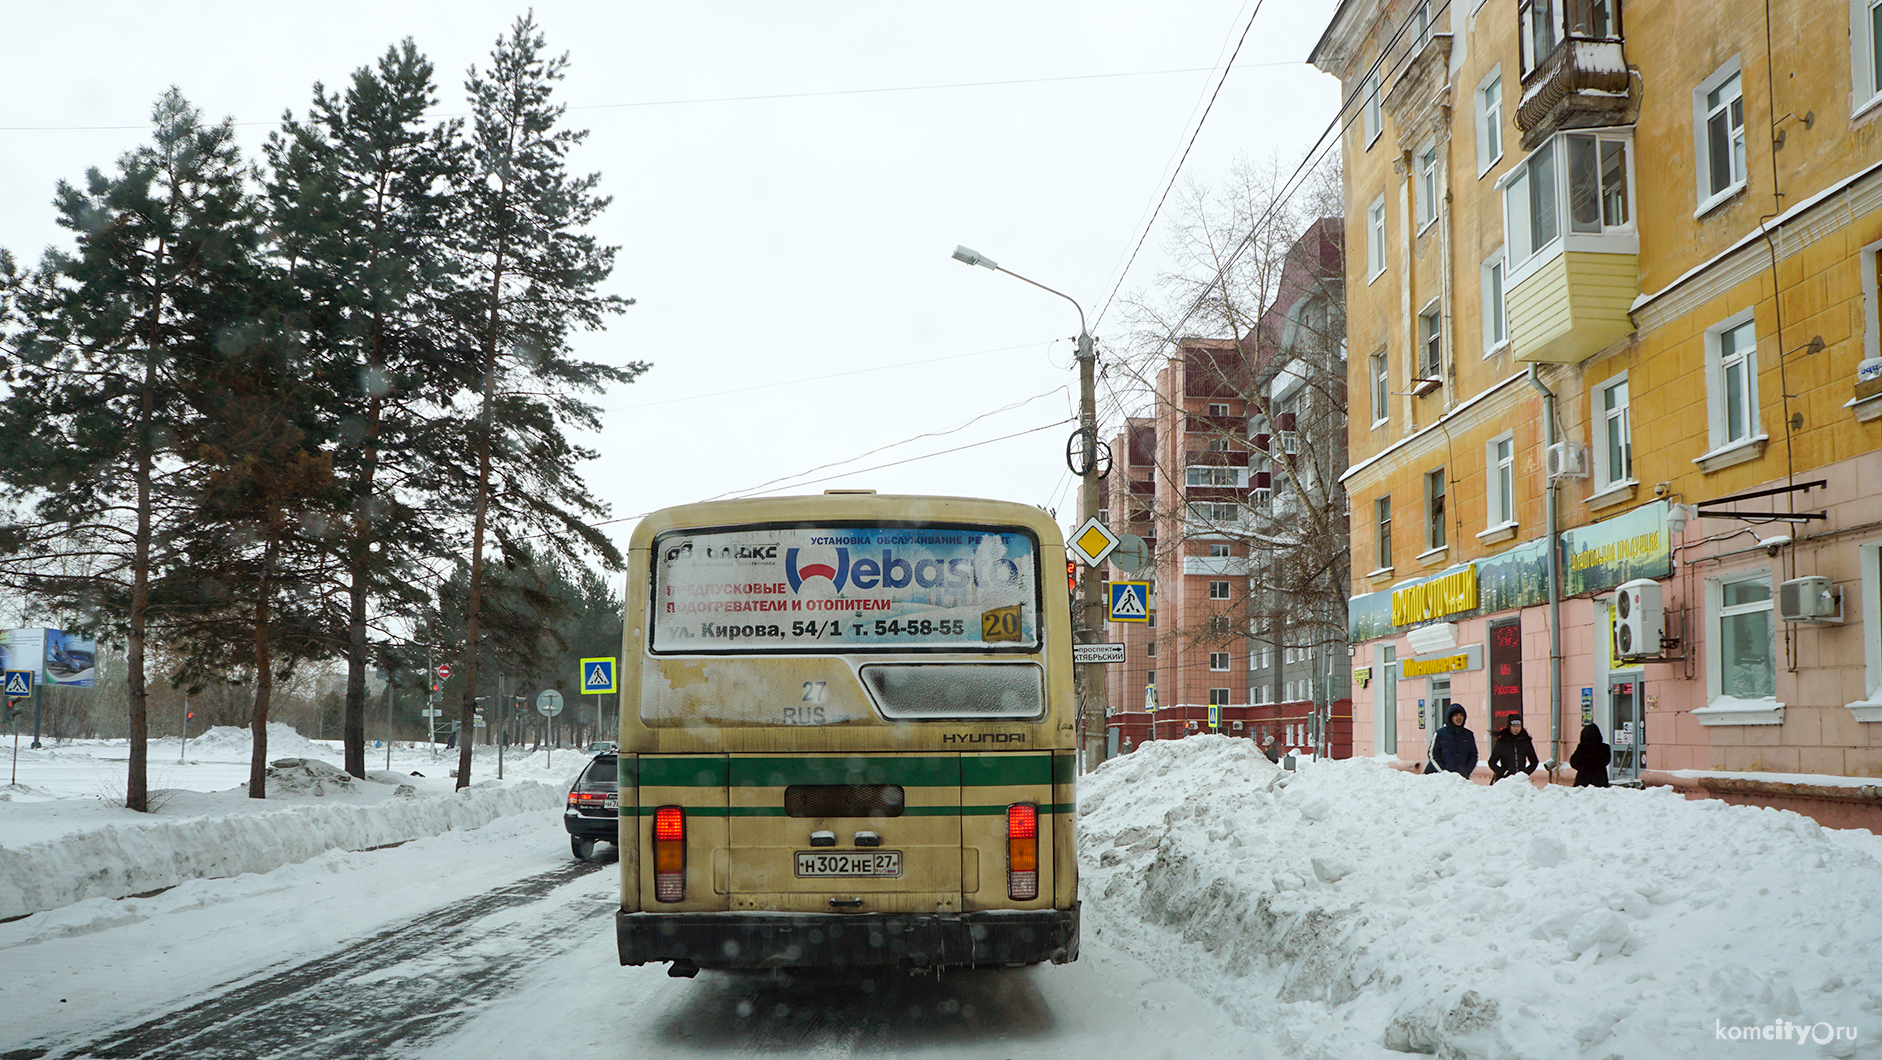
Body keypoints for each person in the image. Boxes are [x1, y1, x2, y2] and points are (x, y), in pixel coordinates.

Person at [1430, 704, 1478, 778]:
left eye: (1461, 715)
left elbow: (1473, 755)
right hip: (1441, 778)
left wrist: (1467, 771)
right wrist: (1443, 772)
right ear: (1450, 717)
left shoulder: (1468, 735)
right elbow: (1433, 754)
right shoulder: (1440, 734)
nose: (1459, 718)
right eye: (1456, 715)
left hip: (1462, 779)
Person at [1488, 715, 1539, 784]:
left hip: (1521, 781)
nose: (1516, 729)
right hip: (1505, 780)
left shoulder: (1525, 741)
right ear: (1509, 726)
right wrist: (1501, 771)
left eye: (1518, 726)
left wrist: (1525, 773)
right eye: (1514, 726)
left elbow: (1534, 761)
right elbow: (1491, 762)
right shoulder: (1502, 741)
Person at [1569, 721, 1611, 787]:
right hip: (1600, 778)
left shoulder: (1582, 747)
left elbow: (1574, 761)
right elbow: (1606, 760)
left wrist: (1583, 768)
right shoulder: (1604, 747)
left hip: (1583, 779)